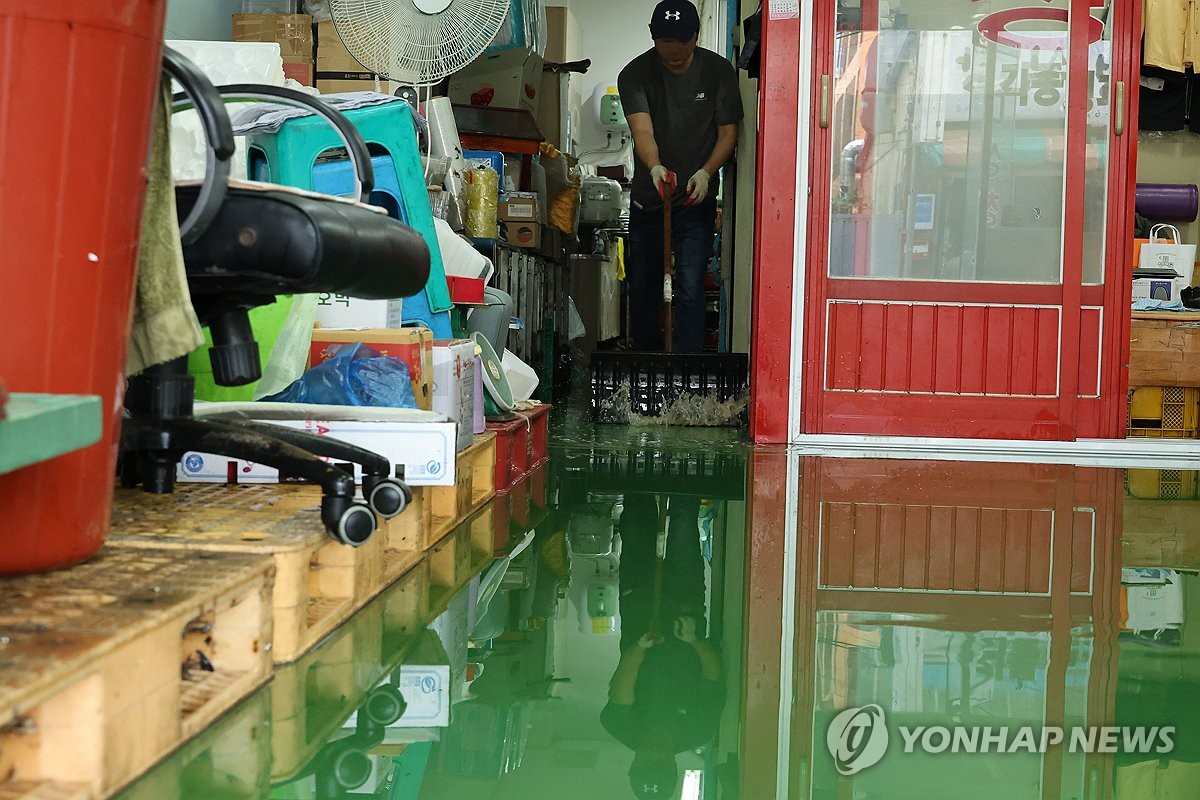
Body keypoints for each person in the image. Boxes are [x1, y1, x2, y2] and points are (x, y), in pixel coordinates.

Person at [618, 0, 743, 354]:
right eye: (664, 44)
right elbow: (642, 132)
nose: (673, 53)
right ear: (653, 39)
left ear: (695, 37)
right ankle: (645, 366)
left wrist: (707, 172)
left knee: (689, 286)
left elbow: (728, 134)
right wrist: (655, 167)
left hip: (693, 202)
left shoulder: (718, 73)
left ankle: (687, 371)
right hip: (648, 201)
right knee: (643, 289)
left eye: (681, 45)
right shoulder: (634, 75)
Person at [601, 494, 724, 799]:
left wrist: (641, 647)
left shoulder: (618, 725)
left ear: (633, 764)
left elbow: (623, 685)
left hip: (641, 606)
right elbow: (712, 675)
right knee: (683, 521)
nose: (653, 754)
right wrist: (694, 640)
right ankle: (691, 456)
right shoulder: (699, 729)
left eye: (646, 762)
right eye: (660, 762)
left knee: (639, 515)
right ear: (673, 764)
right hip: (686, 603)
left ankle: (636, 452)